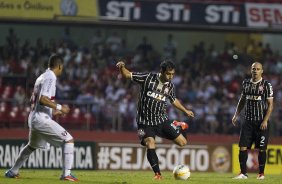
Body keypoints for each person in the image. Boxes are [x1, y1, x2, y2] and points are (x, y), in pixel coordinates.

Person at [116, 59, 194, 180]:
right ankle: (157, 174)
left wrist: (185, 110)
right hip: (144, 123)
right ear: (162, 71)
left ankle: (178, 125)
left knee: (183, 143)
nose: (171, 76)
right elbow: (127, 75)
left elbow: (173, 100)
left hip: (161, 120)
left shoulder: (170, 86)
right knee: (150, 143)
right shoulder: (148, 77)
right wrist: (122, 67)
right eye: (168, 73)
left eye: (173, 74)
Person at [5, 54, 78, 182]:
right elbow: (43, 99)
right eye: (62, 67)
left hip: (34, 116)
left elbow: (38, 102)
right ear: (60, 66)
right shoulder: (51, 76)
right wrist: (60, 107)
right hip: (40, 119)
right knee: (68, 140)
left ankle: (12, 171)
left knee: (31, 146)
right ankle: (66, 174)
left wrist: (54, 112)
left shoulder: (41, 77)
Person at [232, 62, 274, 180]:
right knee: (242, 147)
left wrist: (265, 120)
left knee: (261, 148)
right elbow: (242, 100)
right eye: (253, 69)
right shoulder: (246, 83)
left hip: (261, 122)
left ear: (262, 71)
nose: (255, 71)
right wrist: (236, 115)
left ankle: (261, 174)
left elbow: (270, 105)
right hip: (248, 121)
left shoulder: (266, 85)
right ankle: (243, 173)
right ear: (251, 70)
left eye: (258, 69)